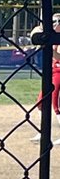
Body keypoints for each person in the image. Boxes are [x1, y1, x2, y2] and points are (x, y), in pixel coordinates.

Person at [29, 13, 60, 143]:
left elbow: (58, 58)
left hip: (59, 72)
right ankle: (43, 132)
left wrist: (48, 47)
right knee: (41, 102)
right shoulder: (53, 37)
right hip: (52, 72)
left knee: (55, 104)